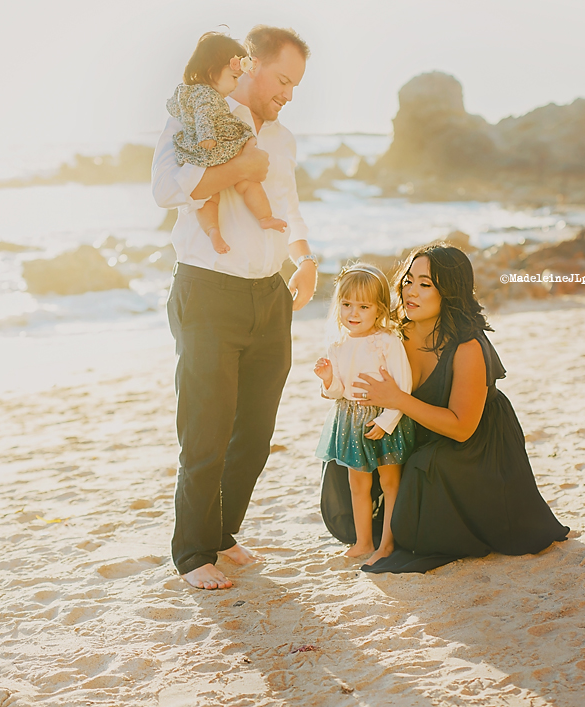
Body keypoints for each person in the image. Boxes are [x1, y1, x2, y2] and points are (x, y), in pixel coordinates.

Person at [152, 25, 316, 590]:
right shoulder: (197, 115)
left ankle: (221, 532)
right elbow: (167, 189)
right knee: (207, 427)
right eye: (284, 80)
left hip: (270, 295)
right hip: (207, 290)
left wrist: (304, 256)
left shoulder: (285, 139)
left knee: (254, 430)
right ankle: (193, 552)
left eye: (296, 85)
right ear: (249, 66)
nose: (289, 94)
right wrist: (239, 171)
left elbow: (288, 204)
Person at [343, 244, 570, 574]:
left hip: (475, 445)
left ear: (448, 292)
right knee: (352, 449)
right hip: (418, 427)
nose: (411, 292)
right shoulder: (394, 333)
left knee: (426, 466)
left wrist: (397, 400)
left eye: (426, 284)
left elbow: (462, 426)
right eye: (408, 281)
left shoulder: (467, 346)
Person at [313, 265, 415, 565]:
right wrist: (328, 378)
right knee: (357, 484)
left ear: (379, 309)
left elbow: (403, 386)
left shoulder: (387, 342)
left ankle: (387, 542)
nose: (352, 313)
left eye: (363, 306)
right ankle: (363, 541)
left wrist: (386, 421)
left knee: (389, 483)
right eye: (346, 304)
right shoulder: (337, 344)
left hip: (384, 418)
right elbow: (337, 392)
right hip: (349, 419)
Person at [166, 32, 287, 256]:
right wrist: (206, 137)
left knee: (207, 200)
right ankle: (265, 217)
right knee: (247, 182)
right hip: (211, 147)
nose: (235, 85)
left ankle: (213, 231)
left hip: (198, 156)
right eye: (233, 78)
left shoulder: (189, 94)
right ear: (212, 73)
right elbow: (202, 116)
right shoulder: (205, 95)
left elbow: (176, 109)